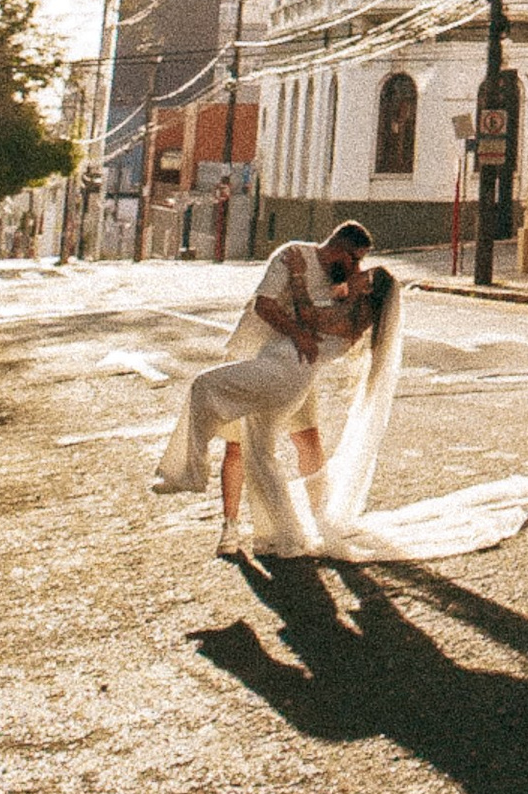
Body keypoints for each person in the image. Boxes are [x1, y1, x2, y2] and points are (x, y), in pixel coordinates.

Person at [152, 223, 406, 557]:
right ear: (341, 249)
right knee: (260, 457)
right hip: (278, 368)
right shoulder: (335, 292)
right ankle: (282, 537)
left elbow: (309, 315)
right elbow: (272, 306)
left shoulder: (350, 317)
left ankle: (187, 472)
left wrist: (299, 279)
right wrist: (305, 287)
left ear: (370, 289)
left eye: (363, 269)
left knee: (205, 386)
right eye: (355, 261)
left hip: (283, 374)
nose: (356, 271)